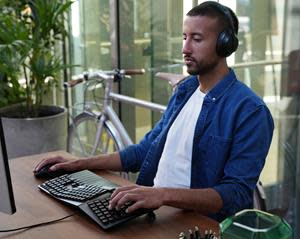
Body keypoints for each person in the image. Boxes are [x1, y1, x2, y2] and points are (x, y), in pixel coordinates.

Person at [34, 1, 274, 222]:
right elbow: (144, 151)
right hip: (152, 213)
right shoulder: (186, 90)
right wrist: (78, 164)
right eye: (184, 37)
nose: (185, 48)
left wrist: (161, 195)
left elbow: (236, 194)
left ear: (224, 44)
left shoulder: (250, 111)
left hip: (193, 224)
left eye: (197, 39)